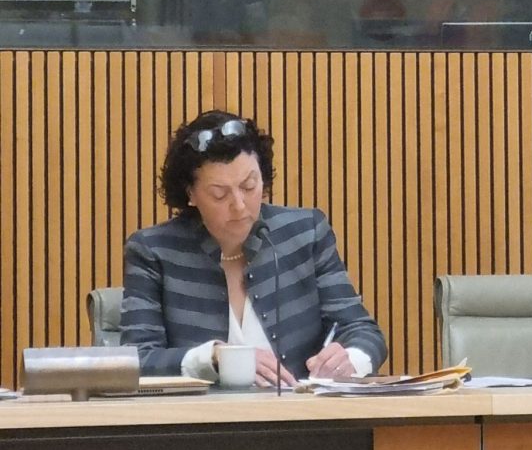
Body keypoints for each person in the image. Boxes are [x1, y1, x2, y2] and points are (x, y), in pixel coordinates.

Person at [121, 110, 387, 385]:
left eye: (249, 186)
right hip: (198, 420)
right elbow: (136, 360)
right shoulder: (154, 250)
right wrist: (211, 357)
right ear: (190, 194)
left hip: (301, 416)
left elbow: (364, 331)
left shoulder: (305, 233)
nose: (239, 204)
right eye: (219, 194)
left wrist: (349, 358)